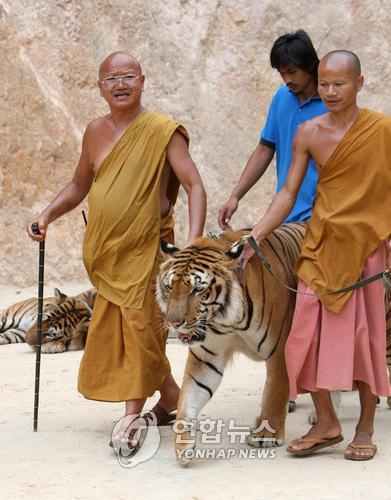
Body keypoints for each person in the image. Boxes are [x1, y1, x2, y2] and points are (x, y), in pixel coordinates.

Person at [27, 51, 207, 445]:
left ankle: (130, 418)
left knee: (140, 333)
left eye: (128, 76)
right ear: (100, 87)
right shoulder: (94, 131)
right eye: (112, 79)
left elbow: (194, 184)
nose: (121, 84)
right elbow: (79, 186)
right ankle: (173, 397)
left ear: (143, 81)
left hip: (147, 254)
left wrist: (193, 242)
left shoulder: (163, 131)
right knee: (128, 333)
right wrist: (47, 215)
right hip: (108, 259)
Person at [241, 50, 391, 460]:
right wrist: (255, 236)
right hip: (321, 242)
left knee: (365, 339)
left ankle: (363, 427)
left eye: (339, 84)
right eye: (324, 83)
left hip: (366, 249)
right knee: (302, 338)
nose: (330, 91)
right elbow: (288, 193)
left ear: (359, 84)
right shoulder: (308, 131)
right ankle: (326, 422)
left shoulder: (382, 130)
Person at [218, 29, 327, 231]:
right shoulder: (281, 97)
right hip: (285, 216)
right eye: (281, 73)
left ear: (310, 65)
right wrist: (235, 196)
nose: (287, 80)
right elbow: (264, 149)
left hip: (322, 217)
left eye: (292, 72)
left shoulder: (331, 104)